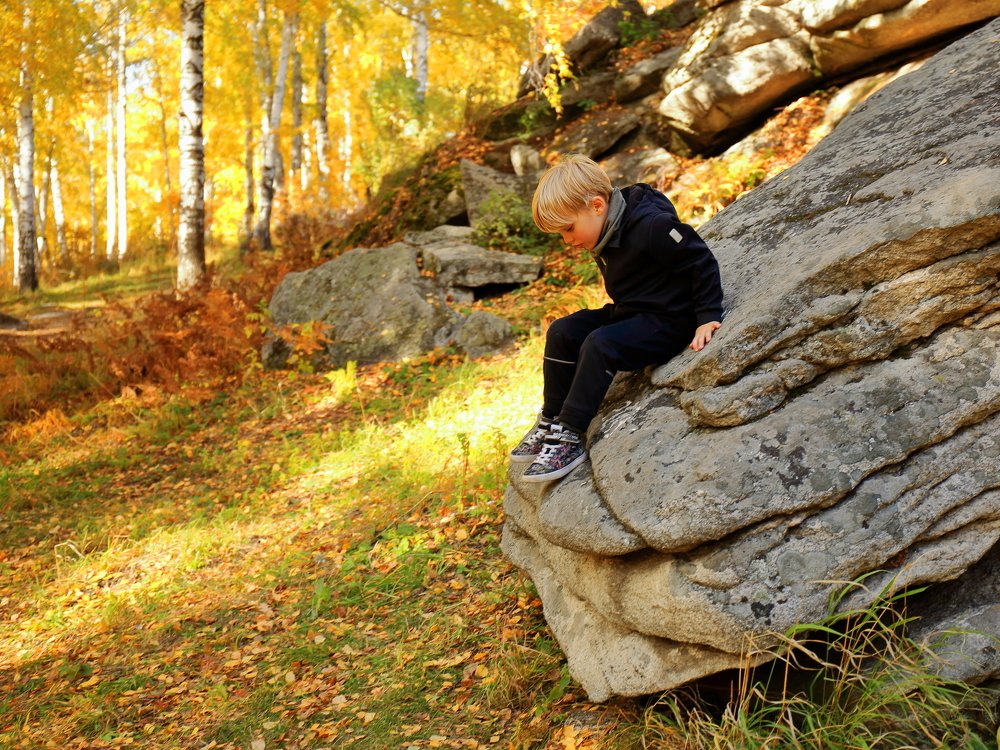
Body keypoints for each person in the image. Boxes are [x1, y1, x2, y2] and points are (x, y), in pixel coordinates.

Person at [511, 154, 724, 483]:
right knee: (563, 331)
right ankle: (551, 419)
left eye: (568, 228)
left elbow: (701, 260)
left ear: (597, 205)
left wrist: (707, 315)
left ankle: (569, 435)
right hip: (634, 311)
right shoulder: (606, 227)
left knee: (601, 343)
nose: (567, 240)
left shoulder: (652, 225)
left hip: (670, 320)